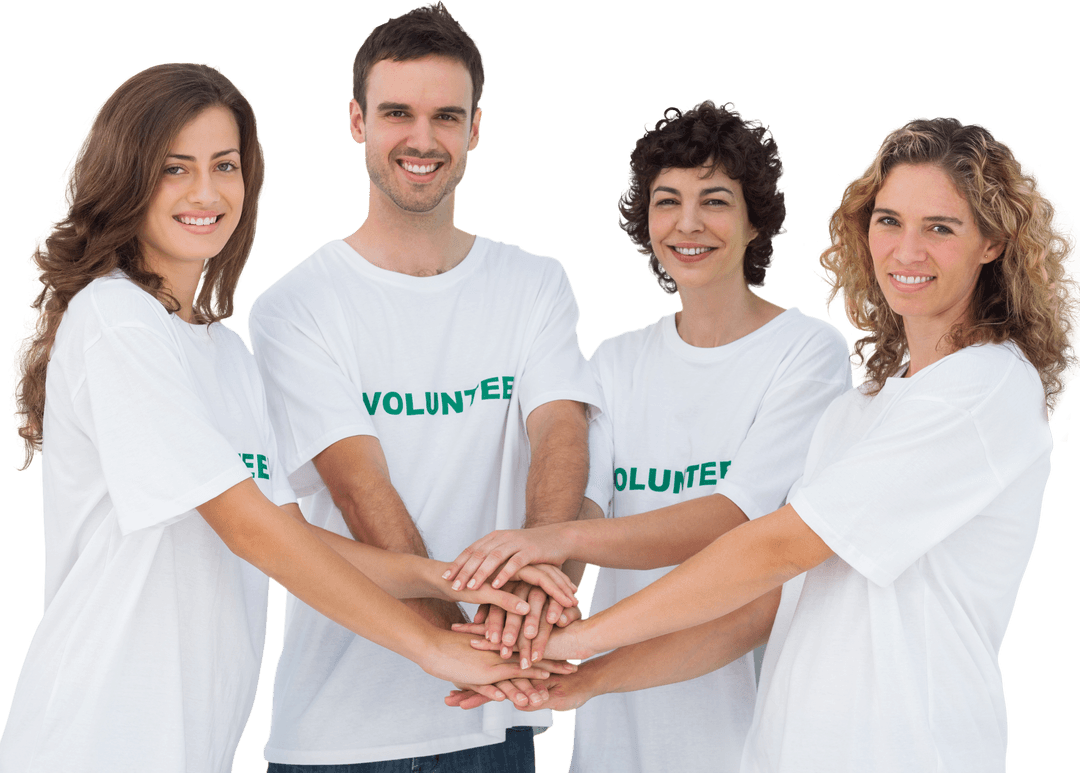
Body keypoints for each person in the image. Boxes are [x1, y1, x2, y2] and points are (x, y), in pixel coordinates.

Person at [446, 116, 1080, 772]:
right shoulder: (858, 411)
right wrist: (588, 676)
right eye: (889, 220)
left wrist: (577, 633)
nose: (906, 250)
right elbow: (759, 609)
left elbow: (771, 545)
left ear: (992, 242)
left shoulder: (983, 388)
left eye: (940, 227)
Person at [0, 61, 573, 773]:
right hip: (92, 740)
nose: (206, 192)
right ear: (127, 179)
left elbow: (300, 541)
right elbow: (250, 528)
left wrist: (449, 580)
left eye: (224, 165)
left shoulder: (226, 355)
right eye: (174, 169)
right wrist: (431, 645)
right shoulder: (116, 319)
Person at [447, 99, 850, 772]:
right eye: (667, 201)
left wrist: (554, 539)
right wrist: (527, 623)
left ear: (756, 220)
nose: (687, 224)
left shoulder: (807, 352)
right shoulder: (616, 360)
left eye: (714, 201)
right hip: (613, 733)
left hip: (744, 738)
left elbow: (734, 516)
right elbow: (586, 509)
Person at [248, 3, 600, 771]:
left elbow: (562, 434)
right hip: (343, 735)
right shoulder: (294, 306)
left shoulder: (535, 282)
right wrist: (472, 644)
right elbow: (357, 491)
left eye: (447, 115)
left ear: (475, 128)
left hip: (495, 729)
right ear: (356, 121)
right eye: (397, 113)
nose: (422, 138)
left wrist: (533, 598)